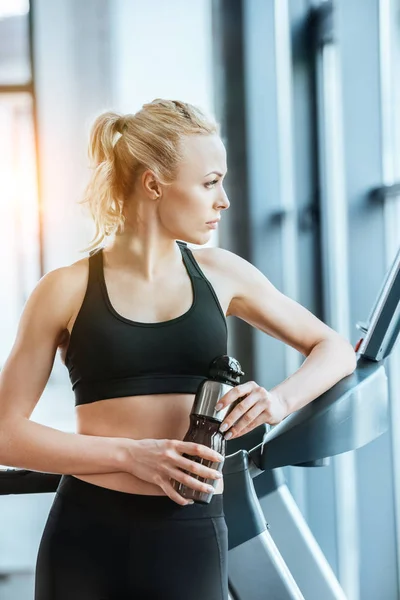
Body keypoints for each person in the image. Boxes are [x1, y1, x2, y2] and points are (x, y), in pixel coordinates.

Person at [0, 99, 357, 599]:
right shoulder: (64, 289)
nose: (224, 200)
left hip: (189, 534)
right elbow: (5, 434)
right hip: (84, 536)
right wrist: (131, 455)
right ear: (153, 184)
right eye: (210, 182)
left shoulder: (223, 273)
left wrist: (277, 402)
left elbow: (334, 349)